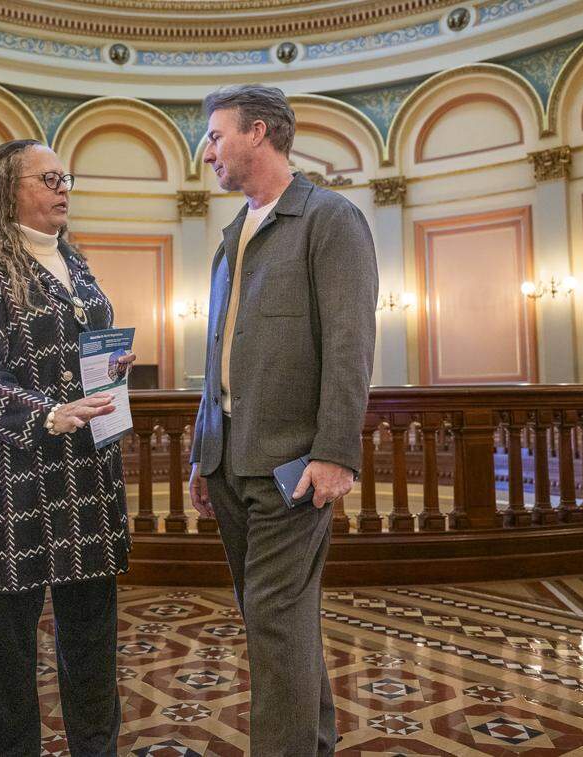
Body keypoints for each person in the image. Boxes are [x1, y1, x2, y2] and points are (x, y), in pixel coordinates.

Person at [186, 84, 378, 756]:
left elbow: (350, 344)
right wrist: (200, 455)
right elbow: (219, 352)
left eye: (215, 135)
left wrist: (335, 451)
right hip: (229, 461)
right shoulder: (234, 233)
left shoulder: (330, 218)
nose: (206, 151)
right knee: (279, 622)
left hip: (292, 464)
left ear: (258, 132)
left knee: (273, 623)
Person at [0, 138, 136, 757]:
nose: (63, 188)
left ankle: (96, 749)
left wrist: (108, 366)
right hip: (15, 481)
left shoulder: (74, 262)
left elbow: (75, 349)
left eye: (66, 178)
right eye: (49, 178)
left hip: (87, 478)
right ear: (7, 189)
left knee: (91, 639)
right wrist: (48, 413)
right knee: (6, 649)